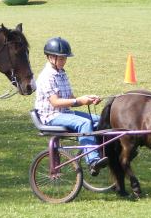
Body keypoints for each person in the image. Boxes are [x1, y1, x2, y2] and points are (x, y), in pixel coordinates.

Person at [34, 37, 107, 175]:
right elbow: (55, 102)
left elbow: (71, 98)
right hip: (51, 116)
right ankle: (93, 160)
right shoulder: (46, 77)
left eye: (65, 58)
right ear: (50, 57)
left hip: (65, 113)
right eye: (61, 58)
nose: (64, 61)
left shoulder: (61, 73)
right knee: (84, 123)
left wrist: (89, 99)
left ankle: (97, 149)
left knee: (99, 120)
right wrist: (79, 101)